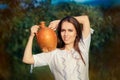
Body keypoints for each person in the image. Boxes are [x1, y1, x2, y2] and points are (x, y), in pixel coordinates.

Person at [22, 15, 93, 80]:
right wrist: (31, 36)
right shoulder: (53, 54)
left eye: (70, 30)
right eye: (63, 30)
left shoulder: (83, 45)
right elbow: (27, 59)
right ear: (60, 33)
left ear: (76, 33)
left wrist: (59, 22)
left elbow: (85, 19)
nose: (66, 34)